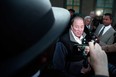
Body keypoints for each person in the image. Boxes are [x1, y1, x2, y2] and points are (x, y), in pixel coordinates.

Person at [1, 0, 111, 77]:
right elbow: (59, 70)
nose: (79, 29)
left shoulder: (85, 38)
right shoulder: (62, 44)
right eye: (76, 27)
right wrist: (99, 71)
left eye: (82, 27)